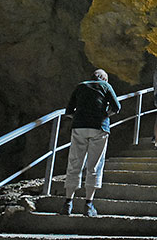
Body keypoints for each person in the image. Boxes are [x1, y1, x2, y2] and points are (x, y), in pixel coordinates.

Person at [62, 69, 121, 217]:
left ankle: (68, 203)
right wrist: (104, 115)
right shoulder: (106, 86)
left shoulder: (80, 86)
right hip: (99, 127)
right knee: (94, 165)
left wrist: (80, 117)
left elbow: (68, 111)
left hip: (79, 127)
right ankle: (88, 205)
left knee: (75, 163)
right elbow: (117, 107)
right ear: (104, 79)